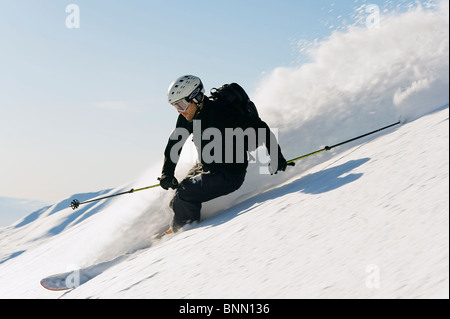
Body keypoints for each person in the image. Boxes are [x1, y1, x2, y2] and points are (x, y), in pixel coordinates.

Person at [159, 75, 294, 233]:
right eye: (176, 107)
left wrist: (276, 156)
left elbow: (260, 128)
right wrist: (166, 173)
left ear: (195, 97)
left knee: (186, 193)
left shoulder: (222, 114)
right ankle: (180, 224)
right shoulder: (188, 117)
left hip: (229, 173)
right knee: (177, 197)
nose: (180, 111)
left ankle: (183, 233)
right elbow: (175, 144)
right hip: (206, 166)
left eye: (181, 105)